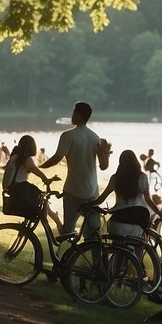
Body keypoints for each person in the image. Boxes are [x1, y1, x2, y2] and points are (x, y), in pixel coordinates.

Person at [40, 101, 111, 240]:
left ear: (78, 115)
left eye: (73, 113)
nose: (72, 115)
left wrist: (40, 167)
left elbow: (57, 157)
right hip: (92, 191)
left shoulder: (68, 136)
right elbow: (103, 166)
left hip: (73, 190)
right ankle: (98, 261)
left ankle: (65, 259)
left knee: (68, 229)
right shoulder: (95, 137)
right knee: (93, 231)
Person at [92, 150, 162, 239]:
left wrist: (87, 204)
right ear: (135, 162)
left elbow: (101, 199)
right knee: (137, 246)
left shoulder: (115, 179)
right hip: (137, 222)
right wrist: (159, 213)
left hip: (117, 223)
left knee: (118, 248)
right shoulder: (143, 178)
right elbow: (148, 201)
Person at [2, 135, 62, 236]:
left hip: (11, 188)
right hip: (18, 188)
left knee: (42, 203)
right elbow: (35, 170)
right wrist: (46, 179)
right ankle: (59, 225)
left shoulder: (16, 156)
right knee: (42, 201)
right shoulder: (26, 159)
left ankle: (56, 223)